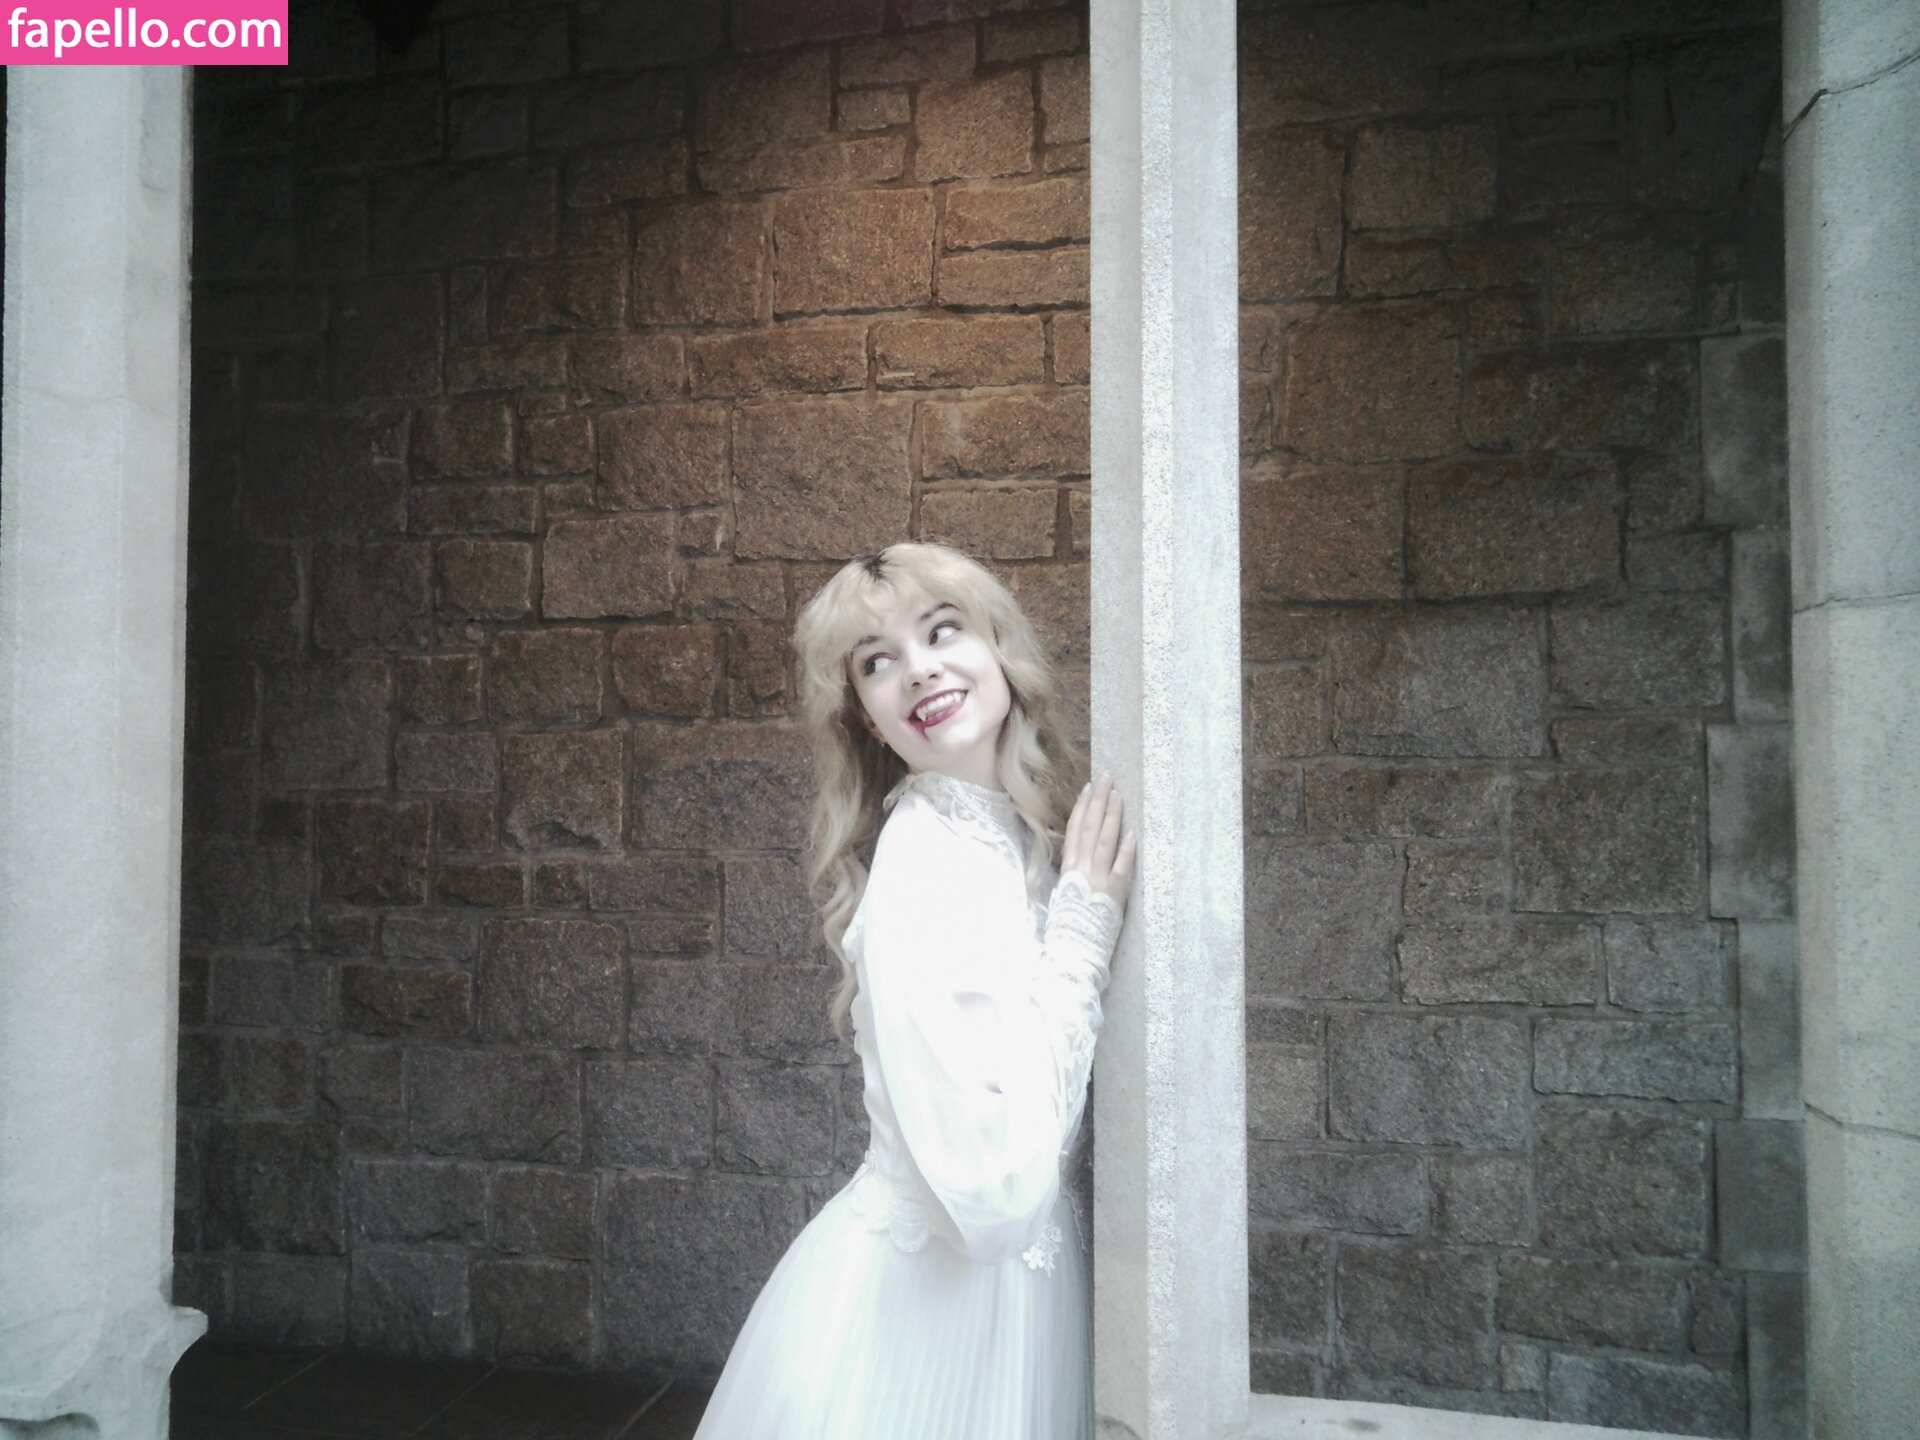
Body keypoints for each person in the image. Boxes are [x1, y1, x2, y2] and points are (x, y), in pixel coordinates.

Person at [691, 542, 1137, 1440]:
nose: (920, 669)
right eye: (878, 662)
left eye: (941, 631)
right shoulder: (928, 863)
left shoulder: (1004, 839)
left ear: (997, 646)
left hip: (1004, 1310)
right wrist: (1083, 938)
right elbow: (995, 1196)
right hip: (922, 1330)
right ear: (866, 718)